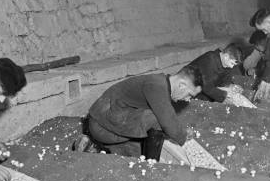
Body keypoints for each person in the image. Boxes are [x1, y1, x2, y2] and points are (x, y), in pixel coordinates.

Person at [74, 65, 203, 159]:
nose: (187, 100)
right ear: (182, 85)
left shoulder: (160, 83)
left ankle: (94, 146)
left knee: (135, 156)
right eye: (190, 95)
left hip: (108, 124)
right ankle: (151, 164)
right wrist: (183, 136)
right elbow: (167, 121)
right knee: (157, 120)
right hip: (101, 127)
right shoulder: (156, 85)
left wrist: (176, 132)